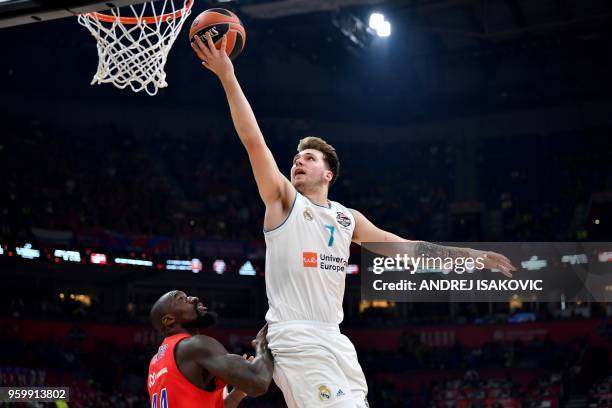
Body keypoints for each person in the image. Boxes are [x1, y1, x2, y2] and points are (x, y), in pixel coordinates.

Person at [191, 32, 517, 407]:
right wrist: (227, 76)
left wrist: (472, 257)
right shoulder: (283, 201)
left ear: (328, 174)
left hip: (335, 339)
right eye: (297, 157)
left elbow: (408, 250)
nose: (299, 161)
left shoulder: (348, 219)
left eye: (310, 158)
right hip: (295, 337)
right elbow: (253, 140)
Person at [148, 290, 273, 408]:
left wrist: (238, 392)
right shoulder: (193, 346)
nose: (194, 299)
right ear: (169, 320)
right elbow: (258, 382)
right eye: (183, 299)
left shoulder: (155, 362)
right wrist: (261, 343)